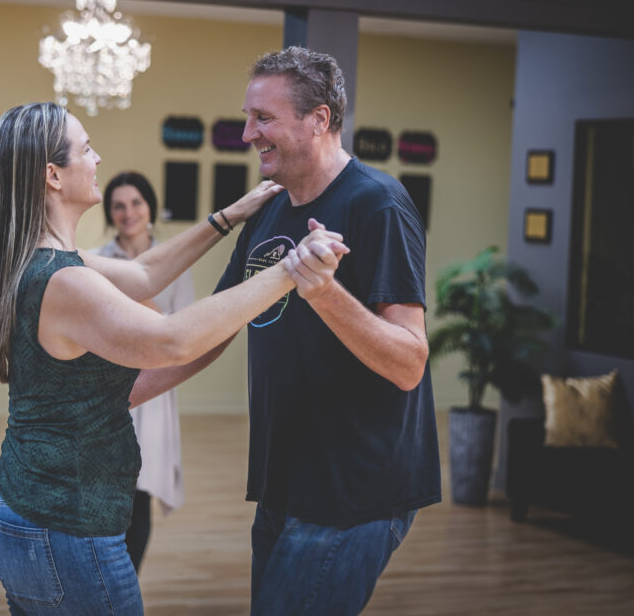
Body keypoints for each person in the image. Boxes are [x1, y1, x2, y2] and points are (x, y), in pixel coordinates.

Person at [0, 101, 348, 615]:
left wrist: (226, 218)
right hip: (62, 528)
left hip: (27, 510)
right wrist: (291, 268)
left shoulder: (48, 260)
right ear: (53, 175)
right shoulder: (65, 282)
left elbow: (146, 274)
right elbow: (172, 339)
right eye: (86, 148)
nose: (98, 157)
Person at [133, 46, 441, 616]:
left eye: (263, 118)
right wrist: (110, 397)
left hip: (352, 492)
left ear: (319, 119)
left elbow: (409, 362)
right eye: (249, 117)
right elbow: (214, 327)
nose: (248, 133)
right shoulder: (272, 207)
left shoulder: (379, 205)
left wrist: (324, 294)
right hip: (286, 480)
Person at [91, 171, 190, 573]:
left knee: (142, 488)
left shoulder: (176, 260)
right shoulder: (97, 259)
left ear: (149, 207)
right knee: (110, 486)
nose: (128, 212)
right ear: (110, 213)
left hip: (154, 385)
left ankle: (130, 579)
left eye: (136, 203)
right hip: (109, 387)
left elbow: (183, 328)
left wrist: (136, 305)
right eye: (119, 205)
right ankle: (107, 576)